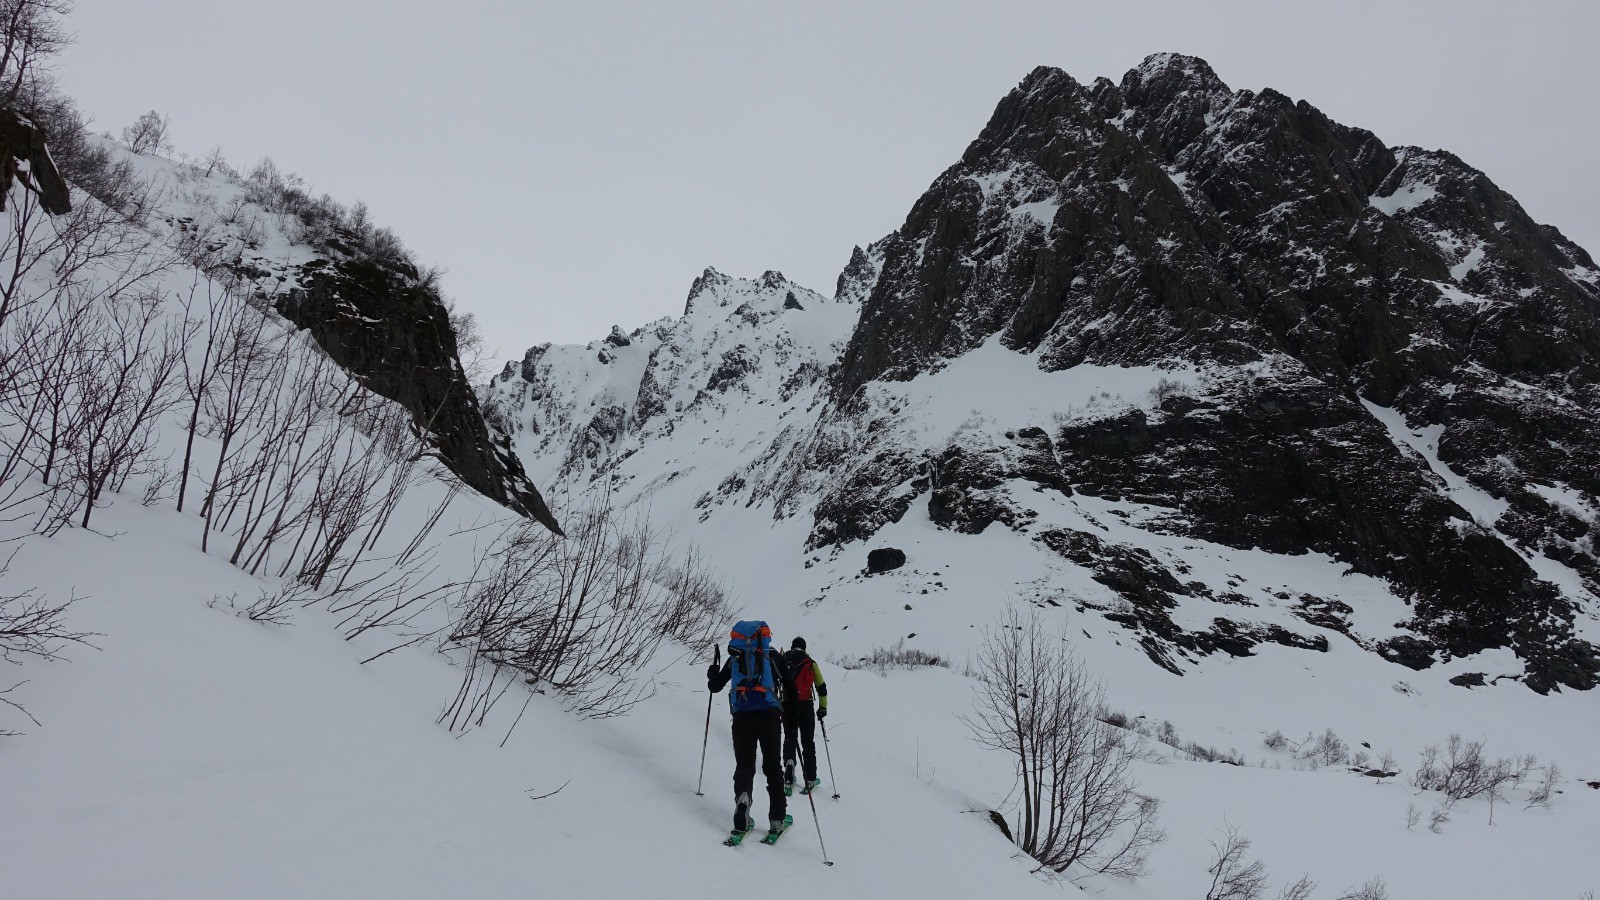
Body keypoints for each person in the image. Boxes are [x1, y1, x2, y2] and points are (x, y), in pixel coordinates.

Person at [708, 620, 791, 836]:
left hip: (742, 715)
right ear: (764, 636)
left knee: (745, 765)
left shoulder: (735, 656)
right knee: (773, 767)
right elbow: (790, 685)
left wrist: (712, 673)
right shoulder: (771, 655)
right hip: (769, 715)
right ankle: (777, 819)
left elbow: (714, 686)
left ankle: (743, 797)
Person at [781, 636, 829, 795]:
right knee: (807, 741)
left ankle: (789, 771)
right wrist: (823, 707)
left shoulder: (784, 660)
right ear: (804, 648)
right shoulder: (811, 663)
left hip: (787, 704)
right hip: (806, 705)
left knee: (790, 737)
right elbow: (821, 687)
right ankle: (810, 778)